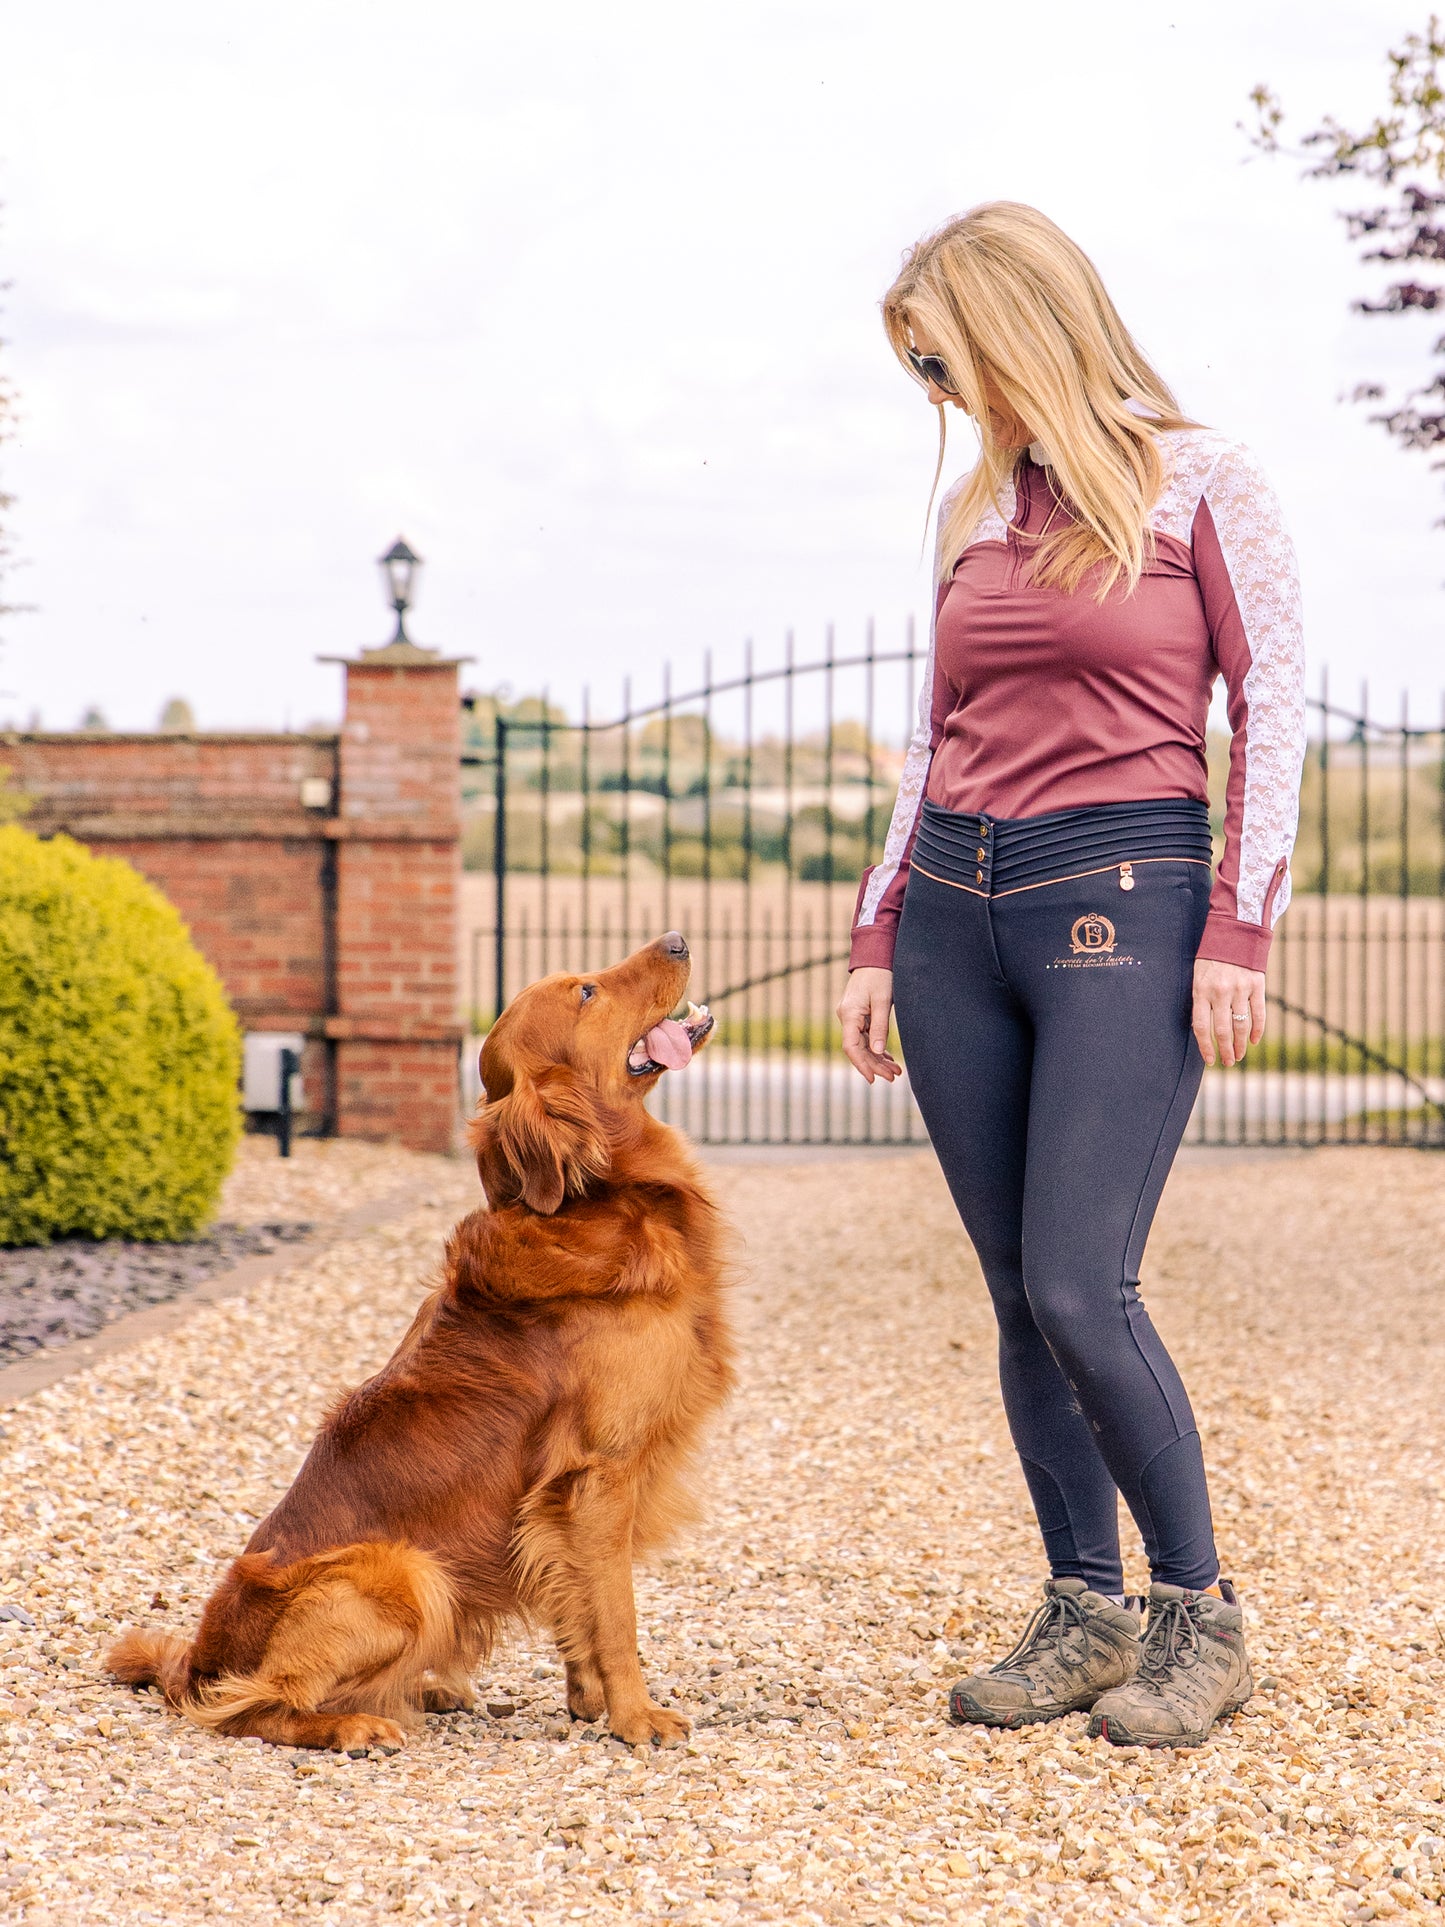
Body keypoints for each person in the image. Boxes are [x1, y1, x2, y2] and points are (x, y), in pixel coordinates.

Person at [837, 202, 1305, 1748]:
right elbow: (931, 736)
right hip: (953, 913)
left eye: (942, 359)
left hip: (1122, 897)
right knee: (1013, 1301)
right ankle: (1082, 1607)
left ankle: (1198, 1616)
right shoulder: (974, 512)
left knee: (1076, 1283)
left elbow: (1273, 708)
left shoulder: (1203, 480)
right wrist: (873, 927)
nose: (935, 396)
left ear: (1013, 329)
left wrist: (1239, 924)